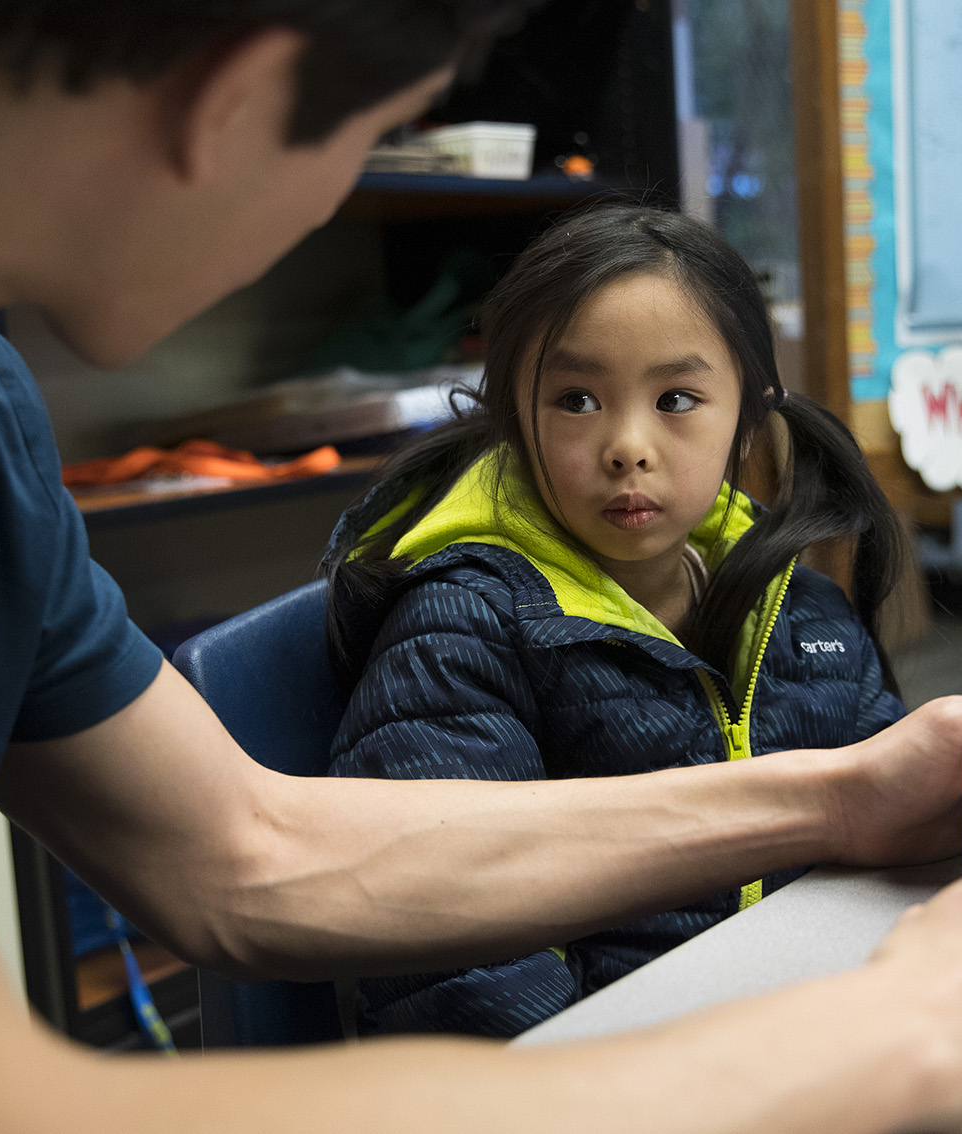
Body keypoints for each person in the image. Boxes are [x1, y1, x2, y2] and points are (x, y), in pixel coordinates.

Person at [0, 2, 962, 1132]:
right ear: (234, 102)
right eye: (364, 134)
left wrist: (842, 789)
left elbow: (245, 849)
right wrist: (925, 1026)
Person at [324, 205, 909, 1036]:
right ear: (516, 420)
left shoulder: (799, 609)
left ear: (748, 416)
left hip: (806, 1038)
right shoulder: (460, 631)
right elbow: (460, 967)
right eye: (576, 400)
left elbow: (892, 834)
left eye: (676, 398)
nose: (627, 446)